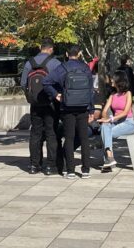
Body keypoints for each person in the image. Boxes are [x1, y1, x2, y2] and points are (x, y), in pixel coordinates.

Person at [45, 44, 95, 179]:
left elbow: (46, 82)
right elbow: (90, 91)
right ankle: (85, 170)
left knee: (69, 138)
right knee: (84, 139)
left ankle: (71, 170)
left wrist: (56, 95)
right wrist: (91, 110)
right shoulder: (85, 68)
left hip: (67, 107)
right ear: (79, 54)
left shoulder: (61, 68)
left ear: (67, 54)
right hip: (83, 108)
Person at [20, 37, 62, 175]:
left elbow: (23, 83)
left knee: (35, 133)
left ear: (40, 48)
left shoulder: (29, 63)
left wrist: (31, 95)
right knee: (51, 133)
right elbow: (62, 82)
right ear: (51, 49)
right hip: (51, 103)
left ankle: (34, 165)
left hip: (35, 103)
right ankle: (51, 166)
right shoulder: (55, 63)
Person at [100, 72, 134, 170]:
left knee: (106, 132)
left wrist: (110, 118)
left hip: (128, 123)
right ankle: (110, 157)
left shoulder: (128, 93)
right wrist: (105, 118)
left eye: (113, 79)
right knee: (104, 127)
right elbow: (104, 111)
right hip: (116, 122)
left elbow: (125, 112)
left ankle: (108, 159)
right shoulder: (113, 95)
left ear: (119, 81)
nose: (111, 80)